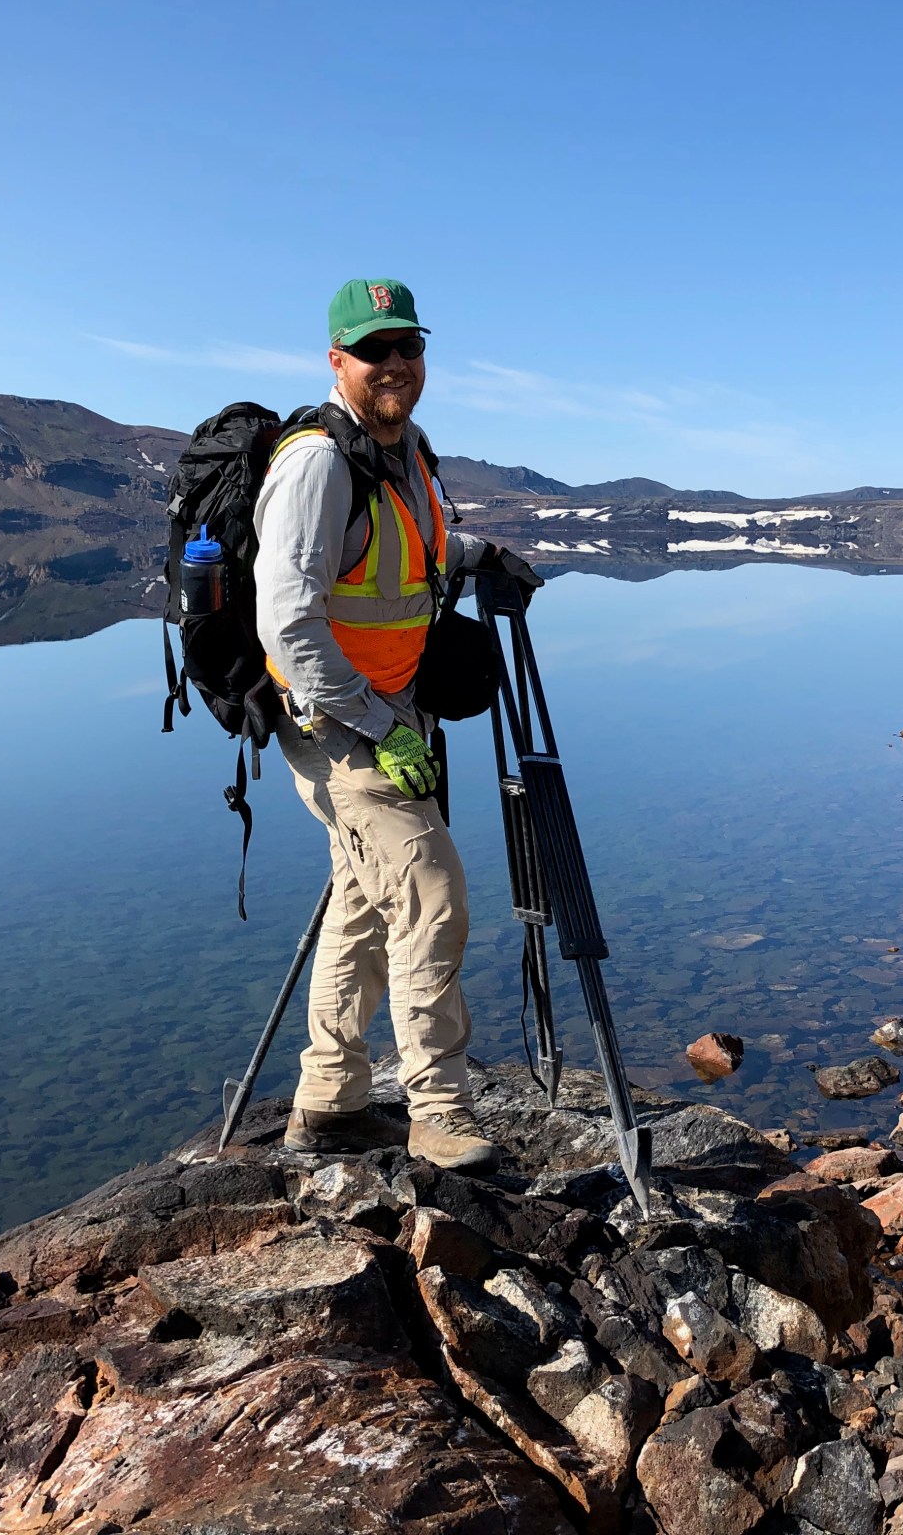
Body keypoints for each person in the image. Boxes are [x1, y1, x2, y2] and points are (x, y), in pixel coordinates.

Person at [253, 278, 539, 1171]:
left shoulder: (407, 451)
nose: (394, 366)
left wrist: (481, 552)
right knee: (431, 892)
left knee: (364, 904)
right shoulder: (315, 463)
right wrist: (381, 724)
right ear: (337, 359)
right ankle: (439, 1111)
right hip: (342, 722)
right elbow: (287, 626)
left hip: (388, 710)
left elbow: (409, 550)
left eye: (407, 348)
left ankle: (329, 1104)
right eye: (374, 351)